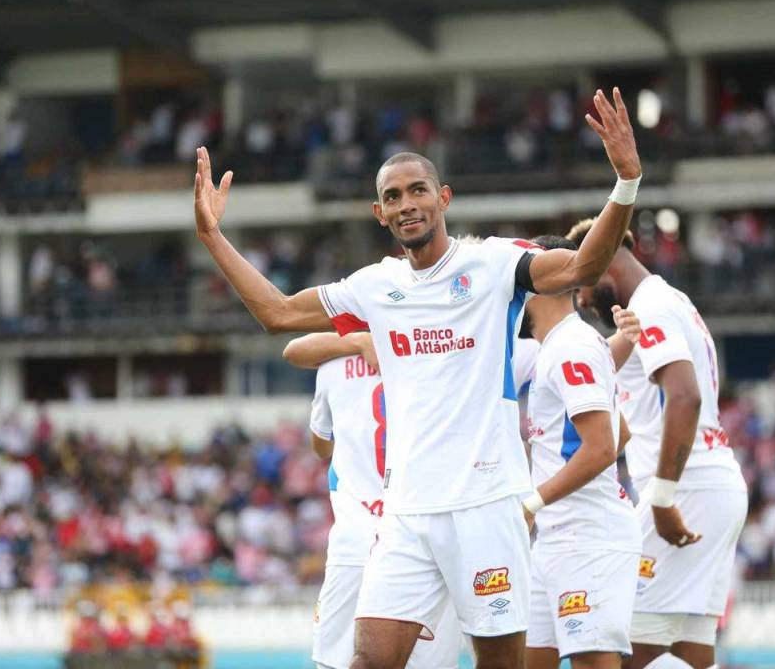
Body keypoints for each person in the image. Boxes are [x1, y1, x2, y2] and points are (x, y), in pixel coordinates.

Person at [194, 87, 642, 669]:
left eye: (417, 190)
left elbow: (583, 265)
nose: (406, 203)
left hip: (486, 506)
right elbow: (277, 313)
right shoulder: (374, 287)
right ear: (379, 214)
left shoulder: (493, 263)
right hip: (406, 514)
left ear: (443, 198)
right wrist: (211, 236)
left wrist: (626, 182)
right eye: (391, 197)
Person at [565, 222, 747, 669]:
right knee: (689, 652)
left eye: (582, 283)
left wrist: (663, 497)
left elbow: (684, 395)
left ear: (605, 261)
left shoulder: (652, 305)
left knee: (614, 652)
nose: (583, 301)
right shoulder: (669, 300)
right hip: (711, 485)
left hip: (685, 491)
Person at [282, 331, 465, 669]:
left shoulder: (332, 365)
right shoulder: (436, 354)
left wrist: (355, 441)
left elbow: (321, 445)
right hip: (425, 541)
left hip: (357, 543)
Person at [518, 235, 642, 669]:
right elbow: (620, 433)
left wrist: (532, 502)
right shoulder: (557, 346)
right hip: (555, 537)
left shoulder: (571, 345)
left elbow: (603, 447)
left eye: (522, 273)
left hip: (589, 538)